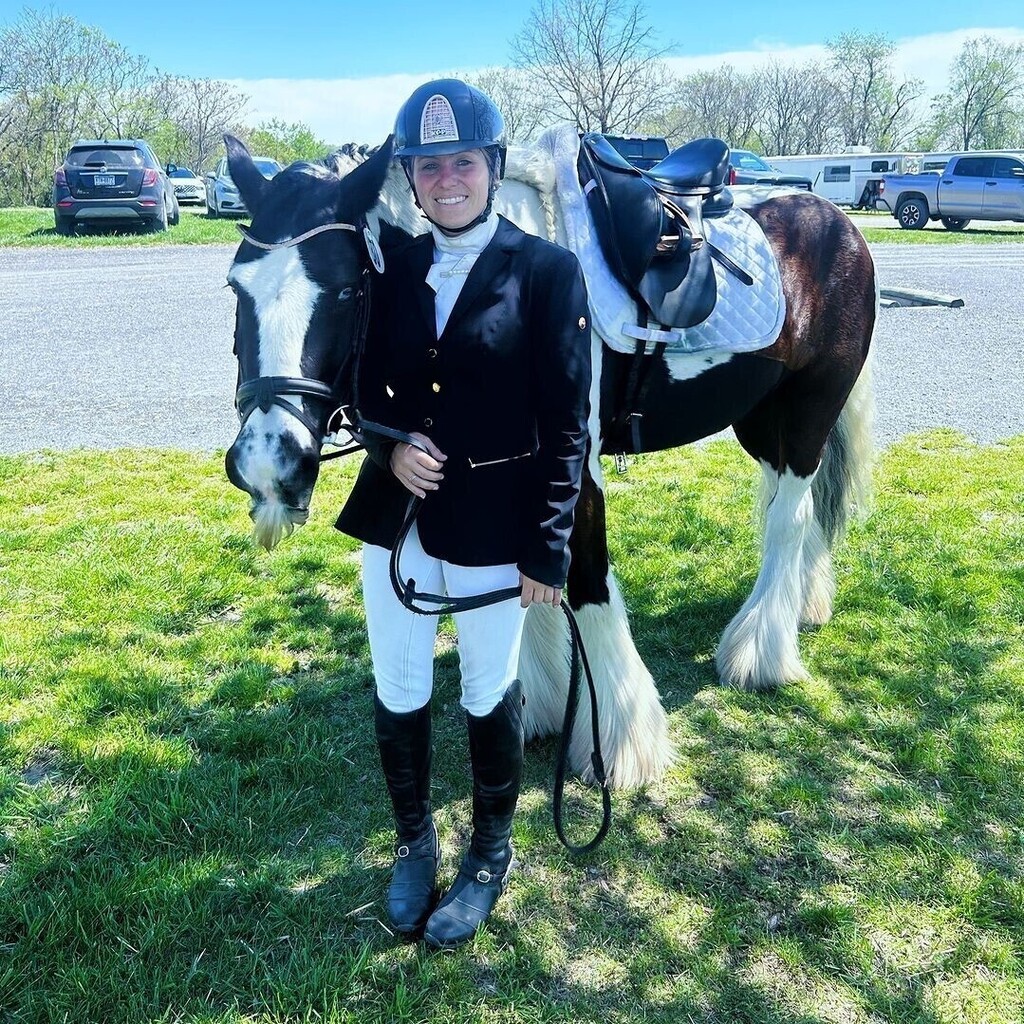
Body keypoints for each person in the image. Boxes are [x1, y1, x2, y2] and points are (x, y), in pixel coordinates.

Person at [335, 79, 591, 949]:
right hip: (396, 518)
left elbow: (567, 427)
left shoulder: (549, 272)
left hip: (495, 522)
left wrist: (548, 551)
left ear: (492, 166)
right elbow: (362, 381)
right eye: (429, 165)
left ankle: (489, 852)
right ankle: (415, 839)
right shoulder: (394, 265)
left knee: (488, 690)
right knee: (398, 685)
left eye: (463, 163)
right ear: (411, 177)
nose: (447, 180)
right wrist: (388, 443)